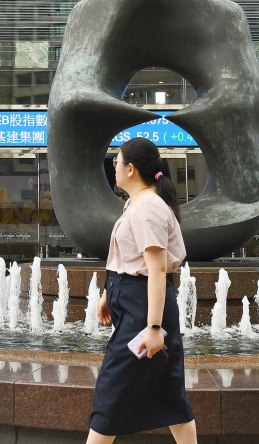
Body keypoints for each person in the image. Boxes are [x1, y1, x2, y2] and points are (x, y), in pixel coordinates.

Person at [87, 138, 197, 444]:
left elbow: (157, 271)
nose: (115, 168)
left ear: (131, 169)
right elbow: (134, 259)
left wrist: (153, 328)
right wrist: (110, 293)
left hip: (144, 315)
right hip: (139, 306)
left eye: (116, 163)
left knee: (111, 391)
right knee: (168, 392)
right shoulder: (138, 203)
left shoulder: (147, 207)